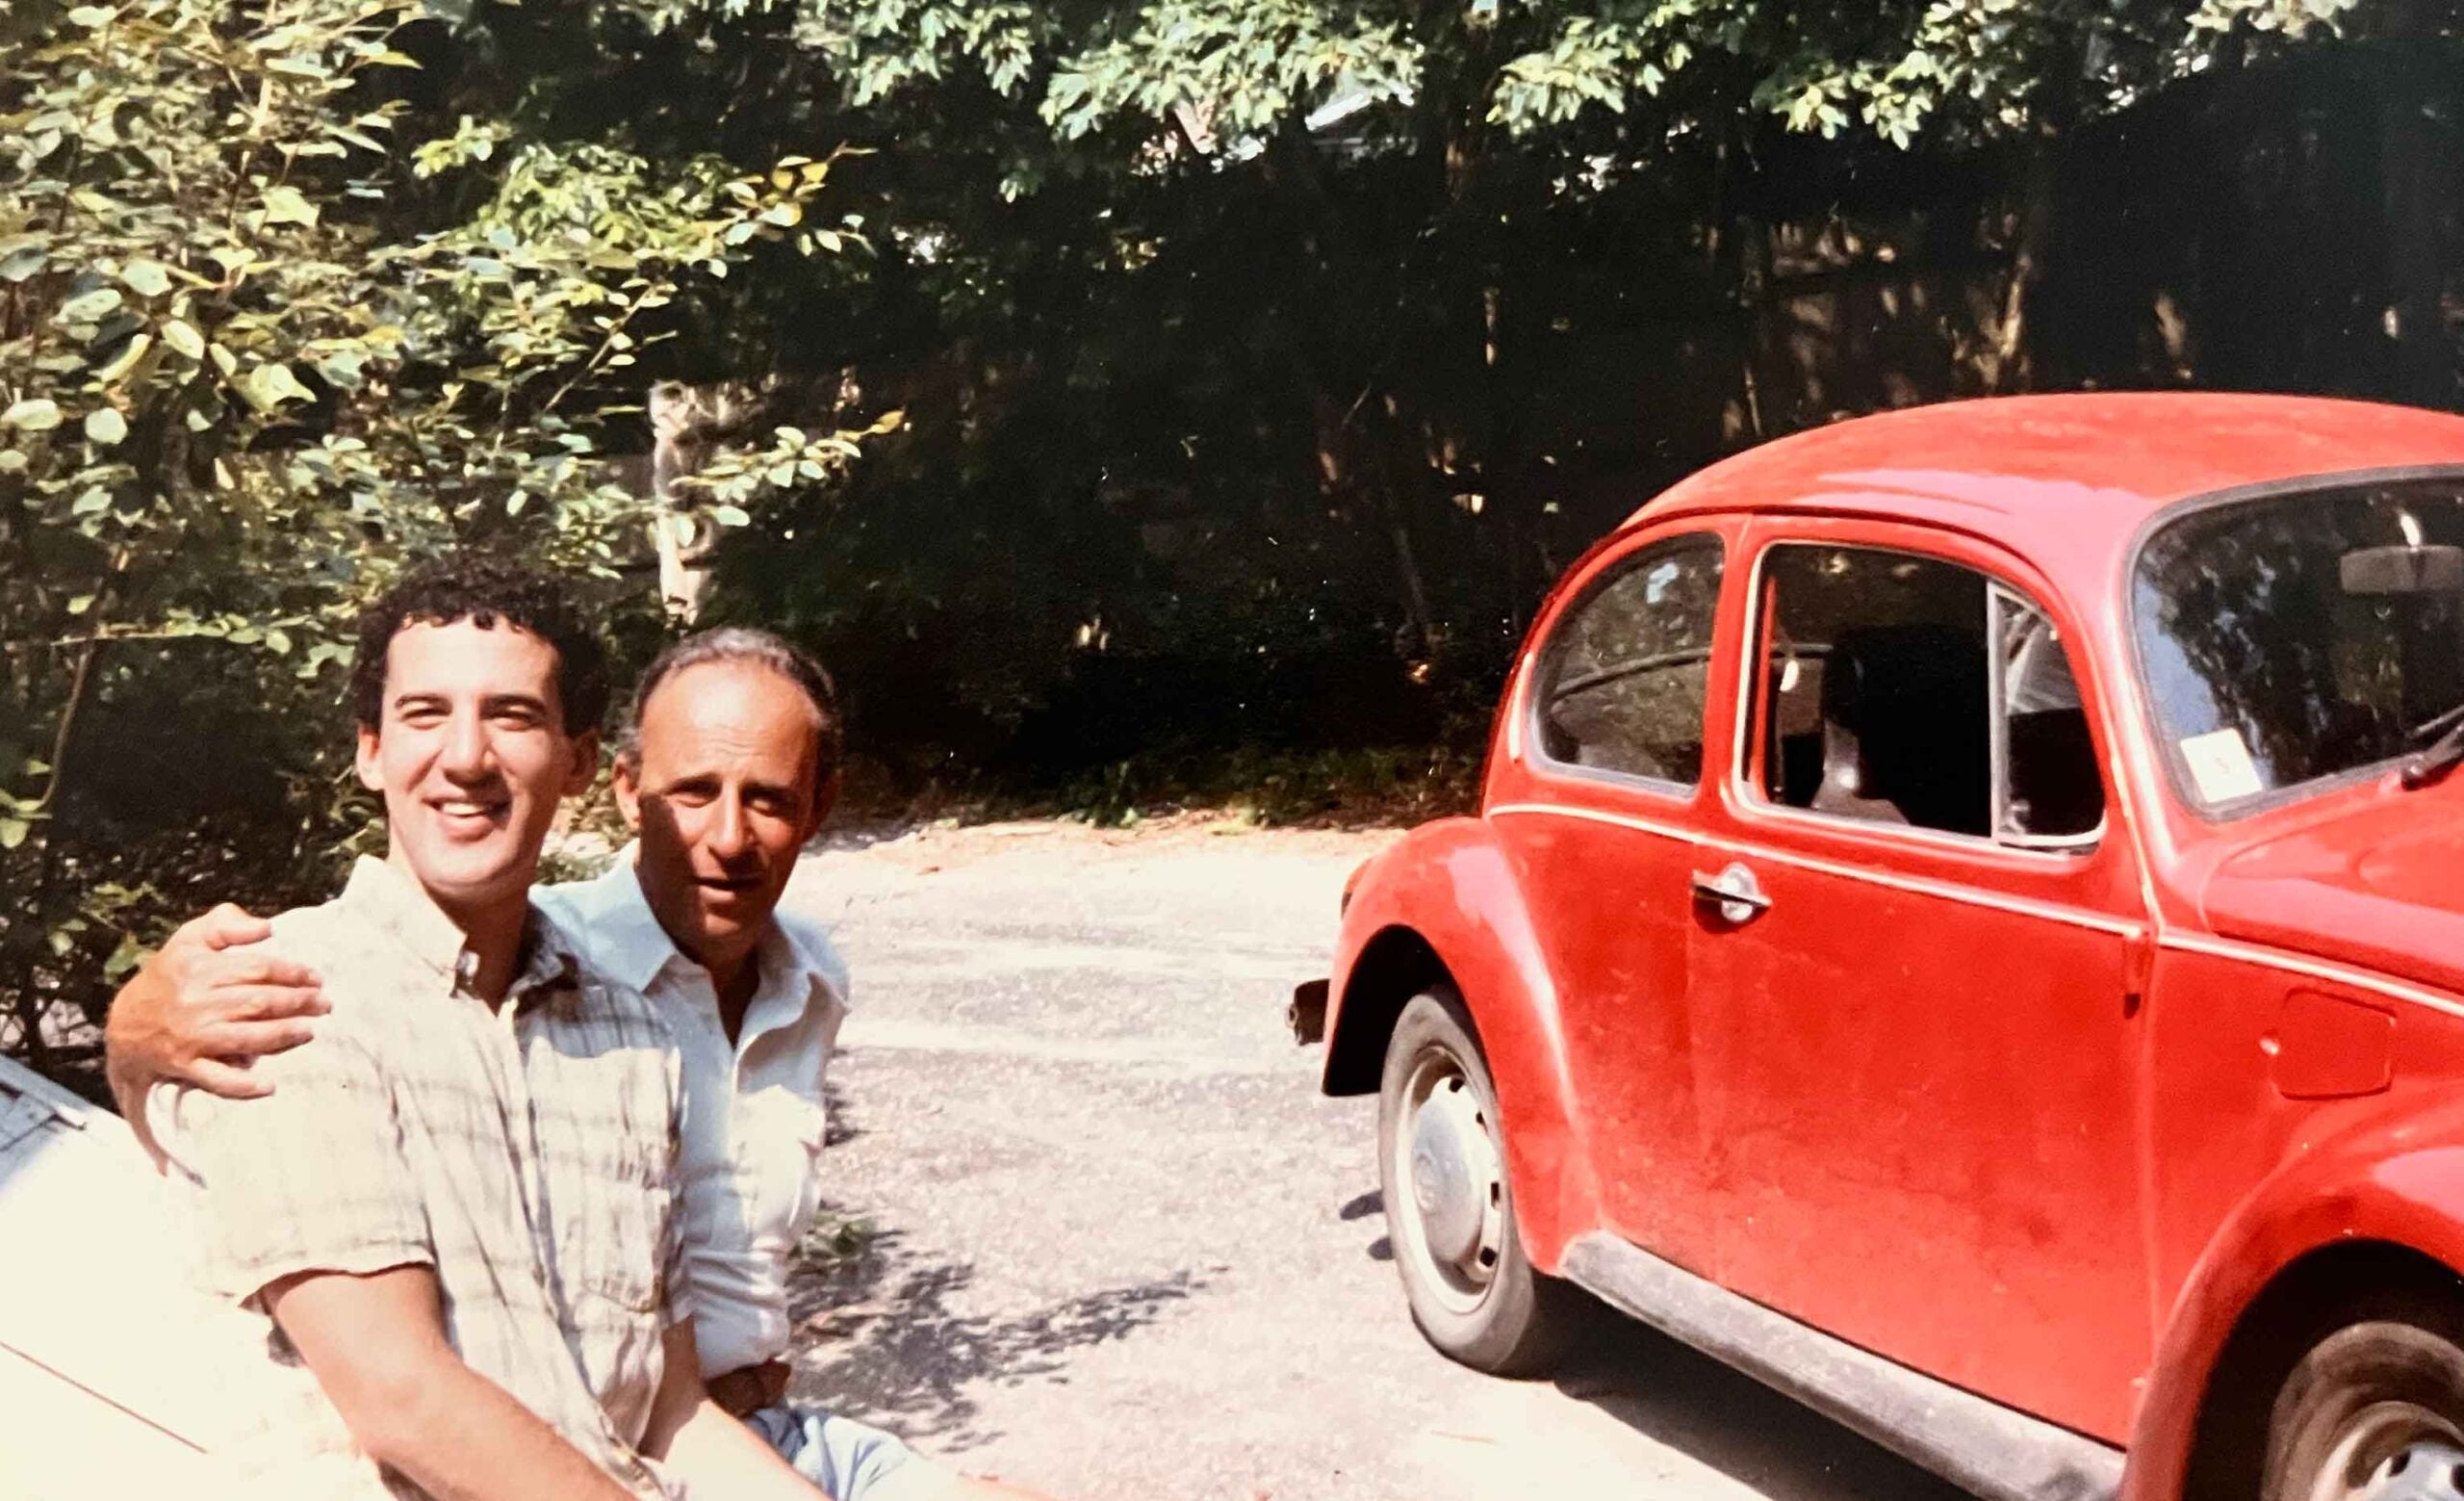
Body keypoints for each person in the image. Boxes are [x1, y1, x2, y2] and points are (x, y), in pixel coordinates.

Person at [109, 626, 1029, 1501]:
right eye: (694, 790)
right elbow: (404, 1393)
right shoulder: (533, 962)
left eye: (771, 799)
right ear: (625, 786)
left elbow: (673, 1405)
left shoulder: (799, 978)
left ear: (816, 807)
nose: (730, 837)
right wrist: (133, 1024)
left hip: (738, 1435)